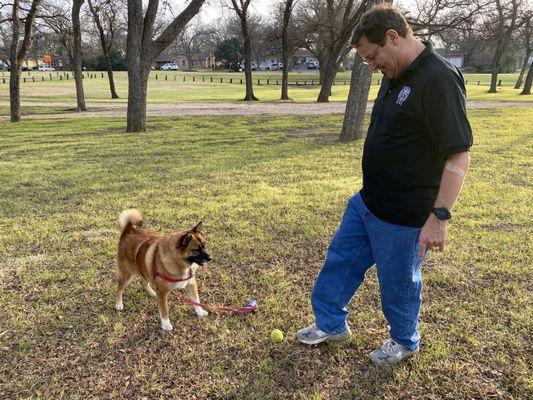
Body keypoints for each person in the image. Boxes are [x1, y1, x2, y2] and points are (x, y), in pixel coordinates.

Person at [297, 4, 473, 366]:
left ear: (393, 37)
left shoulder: (439, 79)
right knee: (340, 262)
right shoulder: (395, 73)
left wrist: (439, 216)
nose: (372, 65)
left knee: (399, 285)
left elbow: (458, 156)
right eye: (367, 61)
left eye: (372, 56)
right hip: (368, 201)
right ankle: (331, 323)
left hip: (404, 214)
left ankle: (404, 340)